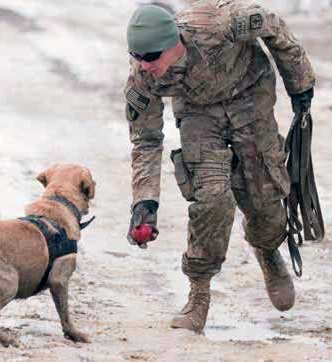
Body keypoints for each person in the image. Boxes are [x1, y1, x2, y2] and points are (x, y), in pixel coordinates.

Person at [124, 0, 315, 334]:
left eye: (151, 57)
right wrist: (145, 203)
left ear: (172, 44)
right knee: (211, 199)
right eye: (136, 56)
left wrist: (300, 87)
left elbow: (274, 28)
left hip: (250, 95)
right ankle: (198, 294)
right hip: (199, 114)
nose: (143, 64)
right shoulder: (143, 78)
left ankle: (268, 249)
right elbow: (146, 140)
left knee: (265, 201)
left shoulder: (221, 24)